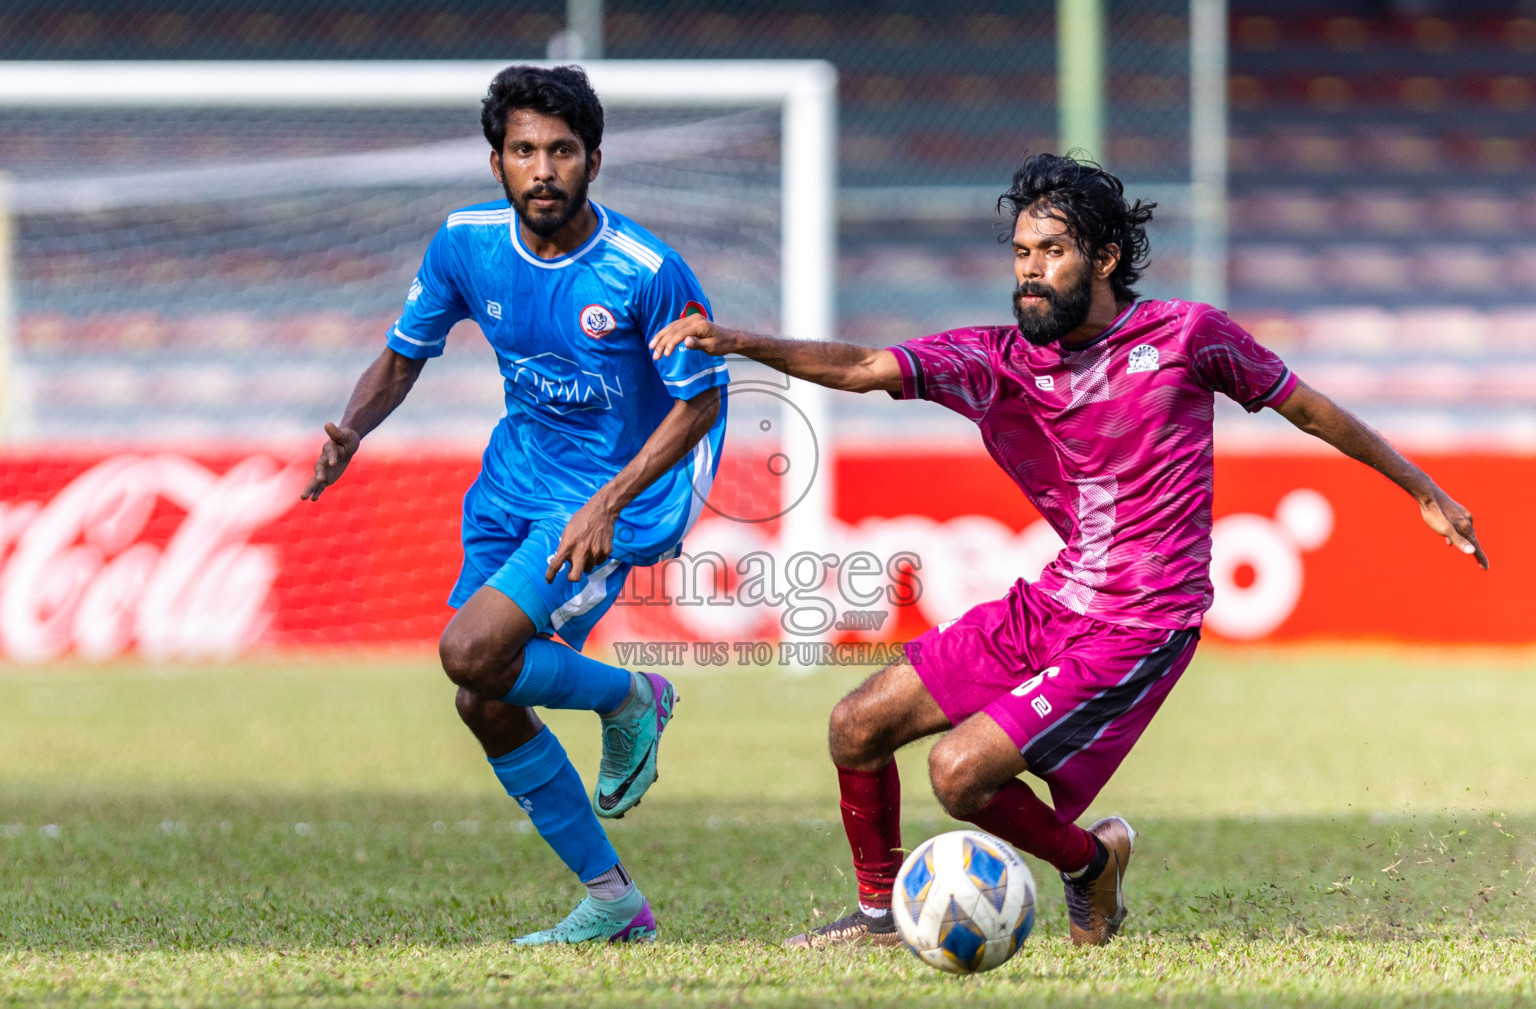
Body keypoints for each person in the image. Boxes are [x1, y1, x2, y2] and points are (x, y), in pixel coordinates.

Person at [650, 152, 1485, 949]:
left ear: (1106, 256)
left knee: (957, 773)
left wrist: (1421, 489)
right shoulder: (994, 361)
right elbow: (867, 363)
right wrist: (737, 341)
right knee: (856, 724)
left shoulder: (1189, 337)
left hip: (1143, 622)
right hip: (1056, 602)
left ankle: (1089, 863)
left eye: (1051, 251)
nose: (1030, 270)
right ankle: (881, 916)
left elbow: (1308, 408)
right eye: (1020, 253)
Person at [301, 64, 728, 944]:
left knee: (471, 650)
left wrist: (608, 504)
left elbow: (703, 401)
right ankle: (614, 902)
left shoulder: (646, 271)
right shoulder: (464, 244)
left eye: (562, 151)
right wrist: (351, 429)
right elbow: (403, 352)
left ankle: (629, 699)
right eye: (524, 151)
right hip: (516, 477)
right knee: (484, 696)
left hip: (624, 491)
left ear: (594, 161)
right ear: (495, 162)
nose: (543, 169)